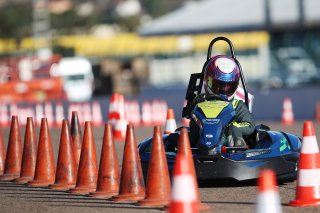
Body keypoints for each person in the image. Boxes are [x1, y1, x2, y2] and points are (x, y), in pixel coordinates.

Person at [188, 55, 255, 148]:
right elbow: (189, 114)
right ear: (207, 80)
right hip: (200, 144)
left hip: (228, 147)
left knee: (234, 130)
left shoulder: (236, 105)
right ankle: (188, 149)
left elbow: (250, 124)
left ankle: (237, 149)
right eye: (218, 85)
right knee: (186, 132)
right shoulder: (200, 100)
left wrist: (233, 127)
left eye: (228, 86)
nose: (223, 90)